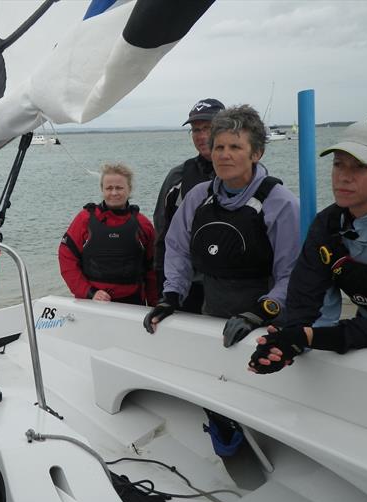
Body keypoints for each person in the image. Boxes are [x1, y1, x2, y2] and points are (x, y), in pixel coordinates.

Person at [250, 121, 367, 373]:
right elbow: (306, 302)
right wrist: (287, 345)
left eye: (361, 167)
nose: (344, 176)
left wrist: (312, 337)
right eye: (338, 164)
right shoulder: (328, 226)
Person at [144, 104, 301, 347]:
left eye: (235, 147)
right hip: (212, 315)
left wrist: (260, 313)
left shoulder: (281, 203)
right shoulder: (198, 196)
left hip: (264, 322)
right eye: (219, 147)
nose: (224, 155)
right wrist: (171, 297)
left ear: (256, 153)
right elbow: (177, 248)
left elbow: (292, 272)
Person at [153, 98, 224, 313]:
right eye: (196, 130)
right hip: (188, 284)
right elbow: (162, 230)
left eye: (208, 128)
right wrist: (162, 282)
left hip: (233, 286)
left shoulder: (248, 176)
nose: (202, 136)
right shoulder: (178, 176)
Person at [59, 163, 158, 305]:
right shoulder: (84, 220)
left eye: (119, 188)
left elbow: (153, 269)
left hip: (133, 303)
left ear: (129, 189)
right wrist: (88, 291)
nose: (114, 193)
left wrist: (155, 306)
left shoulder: (143, 225)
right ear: (102, 189)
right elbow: (66, 258)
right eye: (109, 188)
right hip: (93, 301)